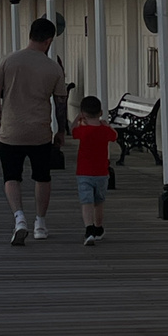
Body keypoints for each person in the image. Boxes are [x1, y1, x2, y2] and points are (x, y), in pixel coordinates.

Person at [0, 17, 68, 246]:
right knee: (42, 177)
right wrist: (60, 131)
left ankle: (19, 218)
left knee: (11, 177)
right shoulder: (53, 67)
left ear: (30, 34)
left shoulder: (9, 61)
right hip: (40, 132)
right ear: (49, 40)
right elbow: (61, 102)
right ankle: (40, 223)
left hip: (10, 131)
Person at [71, 95, 118, 246]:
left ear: (83, 114)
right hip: (102, 173)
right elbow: (114, 136)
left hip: (84, 173)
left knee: (86, 202)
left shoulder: (83, 131)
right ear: (101, 112)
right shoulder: (104, 130)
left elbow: (72, 131)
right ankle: (98, 228)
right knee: (99, 202)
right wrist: (107, 125)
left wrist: (77, 119)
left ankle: (89, 229)